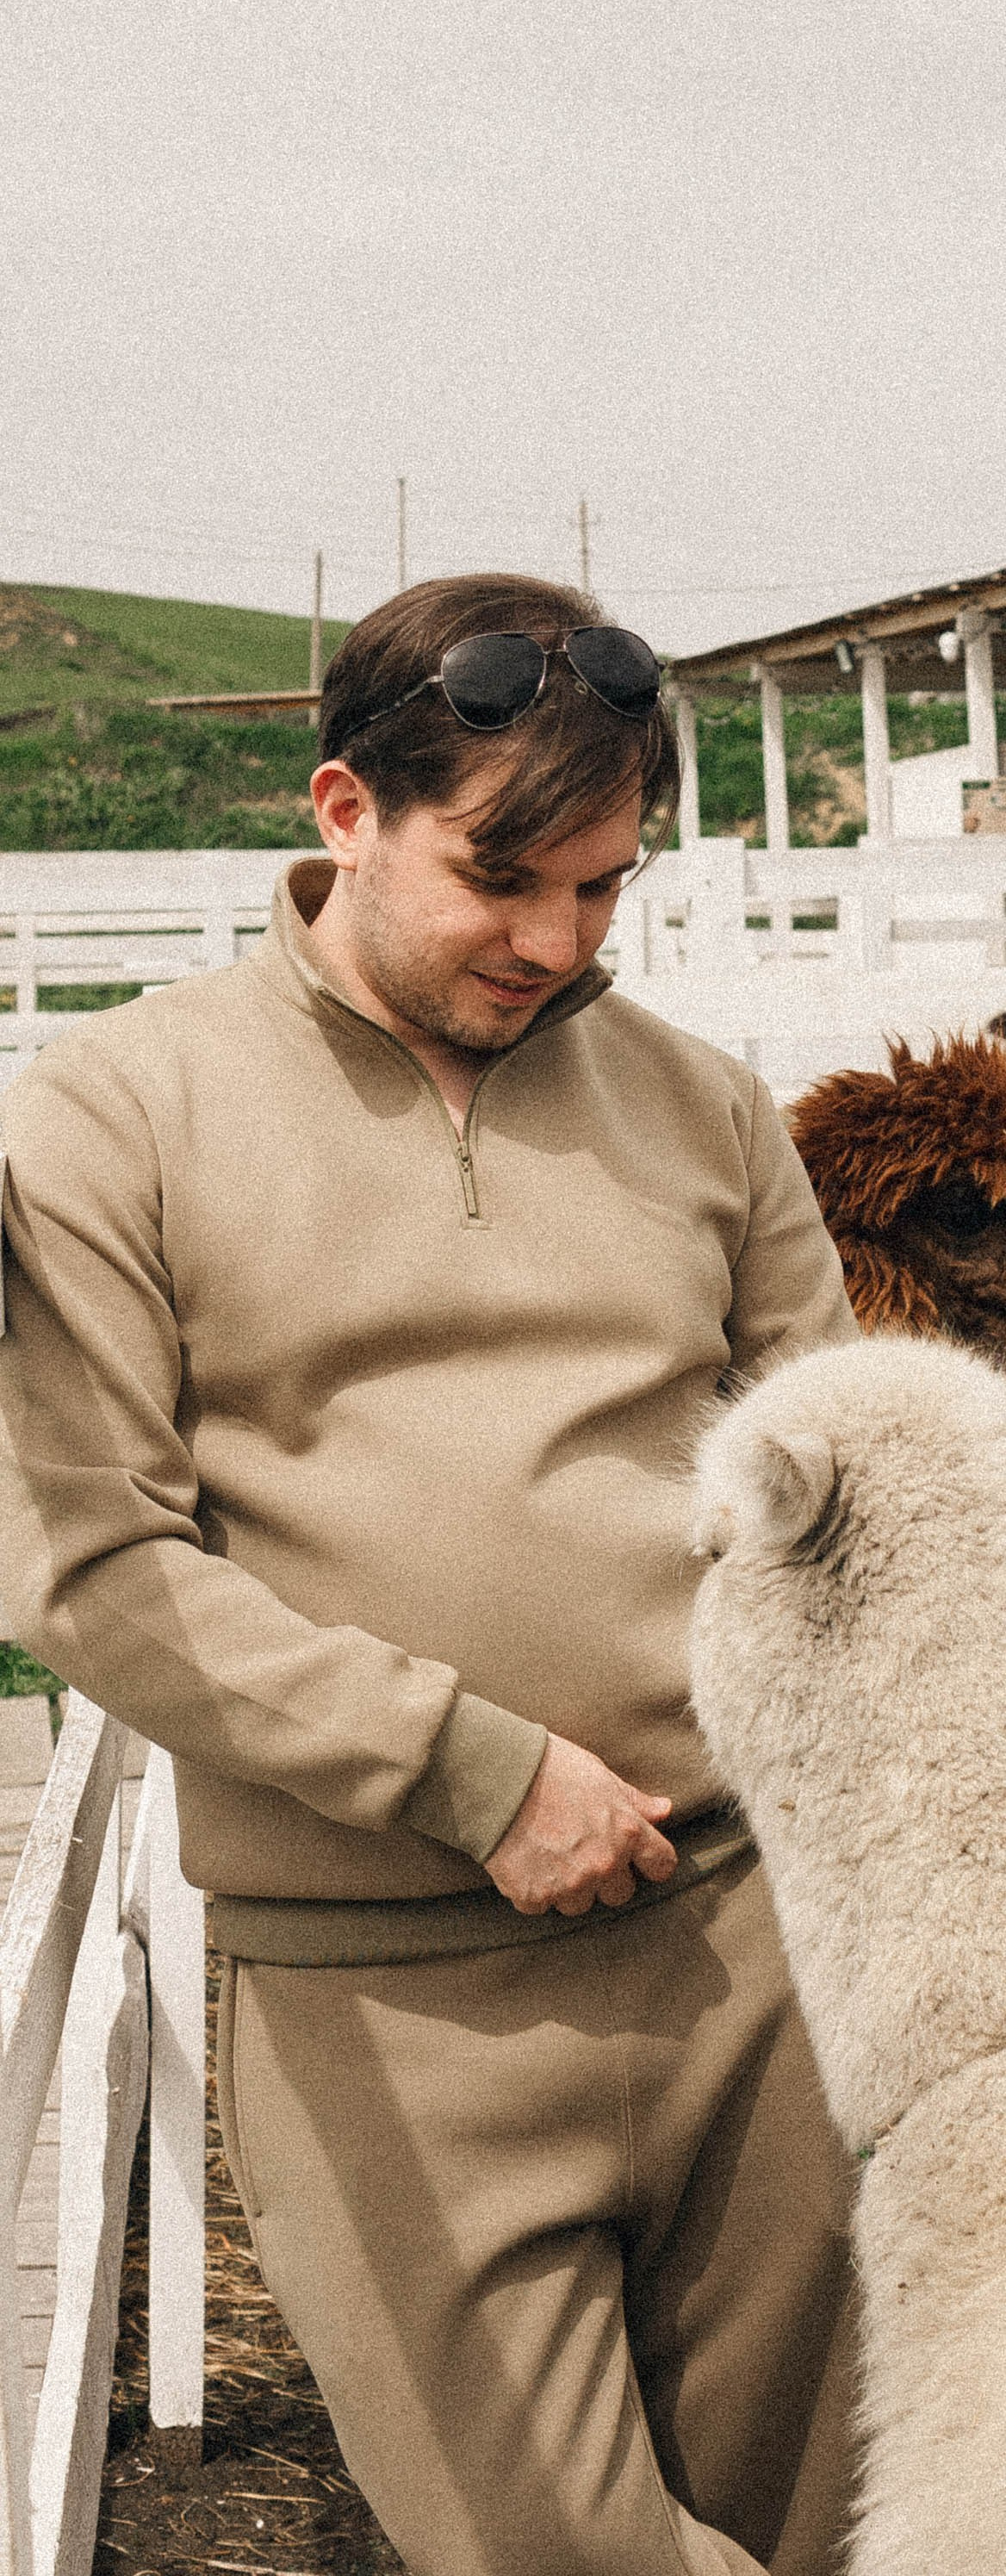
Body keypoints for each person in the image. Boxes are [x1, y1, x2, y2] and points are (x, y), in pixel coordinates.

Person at [0, 576, 860, 2576]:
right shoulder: (115, 1111)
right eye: (504, 879)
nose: (559, 945)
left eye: (607, 888)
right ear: (340, 808)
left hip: (753, 1957)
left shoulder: (705, 1105)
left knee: (818, 2533)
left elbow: (838, 1498)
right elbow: (93, 1563)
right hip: (383, 1980)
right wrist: (480, 1771)